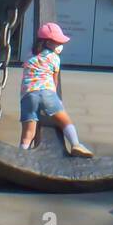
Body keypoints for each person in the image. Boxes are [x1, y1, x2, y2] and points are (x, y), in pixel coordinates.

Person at [19, 22, 93, 157]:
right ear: (48, 42)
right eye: (57, 42)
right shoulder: (54, 58)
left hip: (28, 95)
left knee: (28, 133)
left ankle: (21, 154)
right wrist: (56, 99)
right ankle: (76, 144)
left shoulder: (29, 55)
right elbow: (55, 80)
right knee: (65, 121)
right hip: (46, 93)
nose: (60, 45)